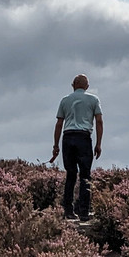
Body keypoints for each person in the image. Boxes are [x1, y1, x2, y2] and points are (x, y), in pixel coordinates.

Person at [51, 74, 103, 221]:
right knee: (85, 175)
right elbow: (99, 121)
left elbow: (59, 124)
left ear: (73, 85)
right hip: (84, 137)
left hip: (68, 137)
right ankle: (84, 212)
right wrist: (98, 143)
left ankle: (68, 210)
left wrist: (55, 145)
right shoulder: (94, 100)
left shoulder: (65, 100)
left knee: (71, 174)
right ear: (87, 86)